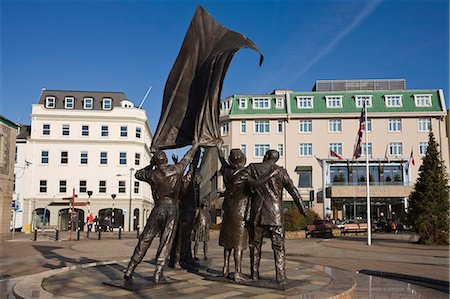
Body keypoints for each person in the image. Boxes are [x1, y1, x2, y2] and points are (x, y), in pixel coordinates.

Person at [123, 142, 199, 283]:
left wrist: (151, 164)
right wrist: (195, 146)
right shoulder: (177, 169)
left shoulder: (152, 174)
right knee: (166, 241)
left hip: (157, 208)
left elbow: (138, 174)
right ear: (166, 160)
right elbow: (187, 158)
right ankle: (158, 273)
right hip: (171, 209)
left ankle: (130, 269)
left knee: (145, 238)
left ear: (155, 162)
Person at [246, 149, 308, 285]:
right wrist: (302, 207)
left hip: (257, 212)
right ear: (276, 159)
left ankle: (254, 274)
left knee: (255, 245)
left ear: (266, 156)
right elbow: (293, 190)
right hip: (275, 214)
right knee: (278, 246)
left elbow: (242, 183)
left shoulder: (253, 168)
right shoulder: (280, 171)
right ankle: (280, 277)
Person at [218, 148, 278, 282]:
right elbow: (256, 184)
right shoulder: (245, 173)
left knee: (228, 242)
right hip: (240, 210)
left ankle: (225, 268)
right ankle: (237, 271)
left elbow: (222, 160)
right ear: (243, 159)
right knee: (238, 243)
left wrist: (218, 147)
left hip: (228, 209)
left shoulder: (227, 171)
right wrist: (270, 175)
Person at [169, 149, 201, 270]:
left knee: (185, 237)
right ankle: (178, 260)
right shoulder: (186, 179)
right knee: (183, 236)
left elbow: (193, 165)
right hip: (186, 212)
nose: (198, 178)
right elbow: (193, 164)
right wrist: (197, 148)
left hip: (188, 210)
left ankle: (187, 258)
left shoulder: (181, 179)